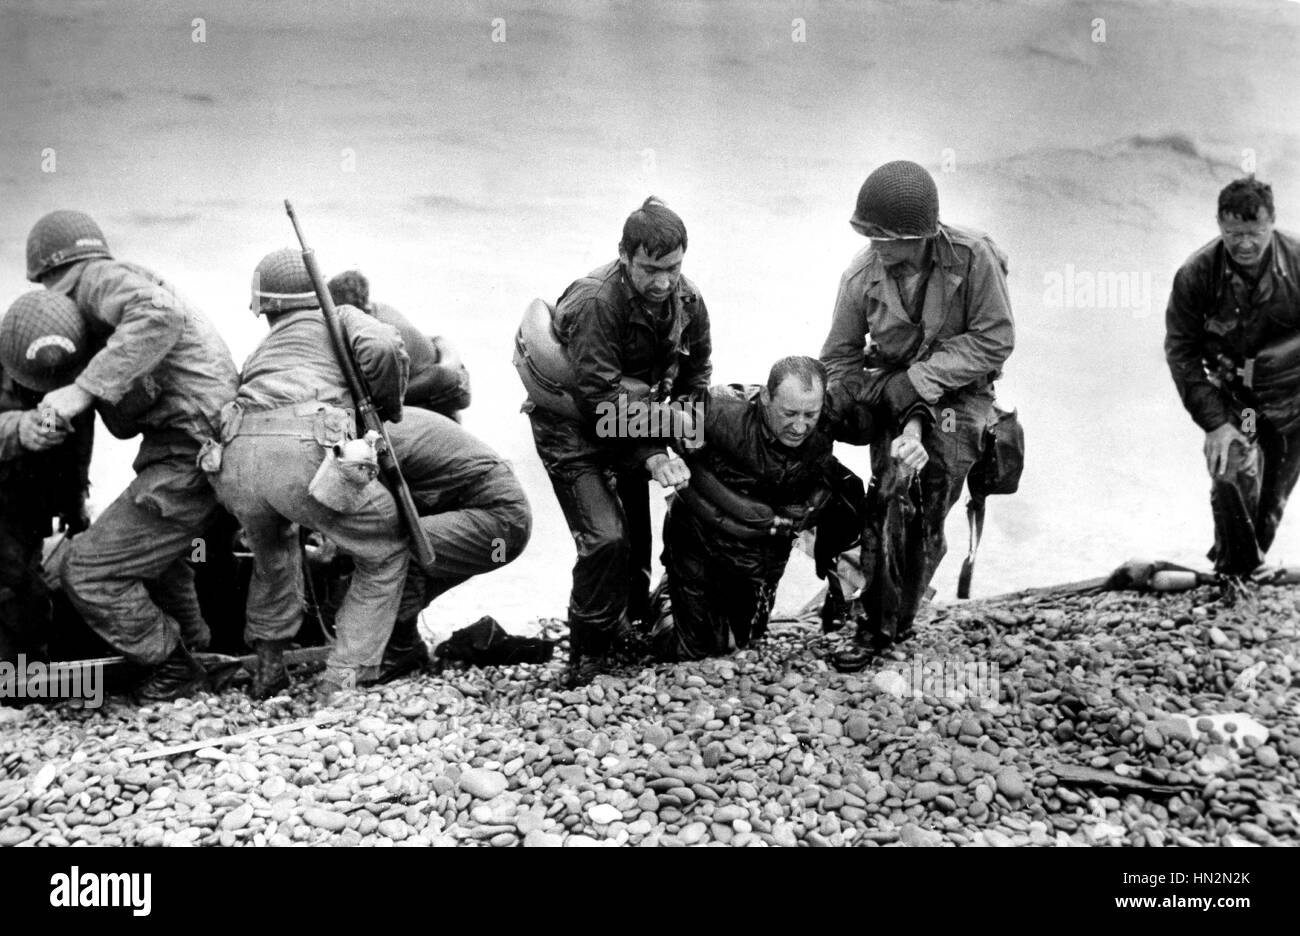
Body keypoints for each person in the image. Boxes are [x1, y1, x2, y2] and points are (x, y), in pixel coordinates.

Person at [20, 210, 239, 702]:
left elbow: (159, 315)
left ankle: (172, 666)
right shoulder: (111, 288)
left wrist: (79, 391)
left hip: (192, 450)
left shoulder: (97, 280)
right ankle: (197, 651)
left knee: (88, 572)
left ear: (50, 274)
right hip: (192, 446)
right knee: (162, 559)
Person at [820, 161, 1015, 659]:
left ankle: (896, 615)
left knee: (930, 501)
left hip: (960, 395)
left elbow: (995, 339)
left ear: (923, 235)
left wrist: (920, 381)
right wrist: (842, 407)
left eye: (888, 238)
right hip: (890, 388)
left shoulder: (974, 258)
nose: (877, 248)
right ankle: (877, 621)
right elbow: (839, 357)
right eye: (869, 236)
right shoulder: (860, 276)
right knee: (888, 494)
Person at [524, 197, 713, 684]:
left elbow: (696, 374)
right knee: (605, 539)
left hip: (634, 422)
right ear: (625, 257)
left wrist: (686, 437)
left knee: (636, 544)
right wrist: (651, 453)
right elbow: (599, 404)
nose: (663, 282)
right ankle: (587, 650)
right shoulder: (594, 304)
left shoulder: (687, 301)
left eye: (673, 268)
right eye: (651, 269)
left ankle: (628, 623)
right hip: (572, 431)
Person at [210, 248, 410, 702]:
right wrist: (386, 407)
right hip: (303, 451)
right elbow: (383, 347)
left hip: (236, 459)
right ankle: (341, 678)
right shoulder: (338, 316)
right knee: (385, 547)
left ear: (265, 306)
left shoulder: (263, 348)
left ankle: (269, 668)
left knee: (274, 550)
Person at [648, 357, 865, 661]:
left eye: (809, 414)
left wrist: (911, 432)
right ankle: (666, 596)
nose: (799, 426)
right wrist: (658, 457)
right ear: (765, 397)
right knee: (692, 650)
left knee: (745, 637)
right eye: (788, 413)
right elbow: (625, 420)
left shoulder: (829, 416)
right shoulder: (721, 410)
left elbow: (882, 408)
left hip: (764, 549)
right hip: (700, 541)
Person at [1165, 177, 1300, 578]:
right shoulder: (1196, 274)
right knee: (1235, 469)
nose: (1243, 244)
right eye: (1232, 233)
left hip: (1295, 400)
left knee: (1271, 502)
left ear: (1272, 222)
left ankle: (1243, 575)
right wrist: (1215, 423)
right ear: (1219, 225)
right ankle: (1232, 573)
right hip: (1241, 404)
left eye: (1254, 233)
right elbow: (1182, 352)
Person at [377, 407, 533, 681]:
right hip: (495, 519)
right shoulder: (385, 422)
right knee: (397, 560)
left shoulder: (376, 441)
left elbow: (370, 524)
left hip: (500, 524)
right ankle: (403, 644)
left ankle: (401, 650)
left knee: (397, 551)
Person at [0, 292, 94, 674]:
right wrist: (18, 428)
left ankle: (26, 680)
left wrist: (74, 506)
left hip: (29, 504)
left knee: (28, 594)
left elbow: (76, 450)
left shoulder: (77, 379)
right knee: (12, 586)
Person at [327, 270, 471, 421]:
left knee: (373, 405)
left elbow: (383, 387)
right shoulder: (376, 309)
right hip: (437, 368)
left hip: (443, 384)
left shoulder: (377, 329)